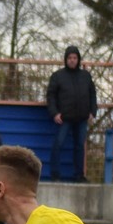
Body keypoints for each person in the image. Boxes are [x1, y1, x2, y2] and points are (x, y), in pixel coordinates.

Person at [47, 46, 98, 182]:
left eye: (75, 58)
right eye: (70, 58)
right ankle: (55, 174)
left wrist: (93, 111)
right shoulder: (57, 76)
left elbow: (93, 94)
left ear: (78, 59)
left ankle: (79, 175)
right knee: (58, 144)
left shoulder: (86, 76)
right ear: (66, 59)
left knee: (80, 147)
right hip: (64, 118)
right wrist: (54, 113)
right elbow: (50, 96)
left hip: (82, 118)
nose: (72, 60)